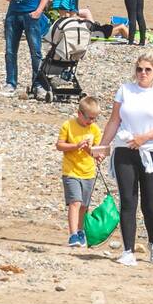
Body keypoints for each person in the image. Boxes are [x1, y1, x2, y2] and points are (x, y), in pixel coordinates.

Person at [93, 55, 153, 267]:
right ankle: (128, 250)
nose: (143, 73)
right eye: (139, 69)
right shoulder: (125, 90)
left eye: (148, 70)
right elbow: (114, 121)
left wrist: (144, 138)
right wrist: (103, 147)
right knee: (128, 201)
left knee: (150, 204)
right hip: (125, 149)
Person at [55, 95, 102, 247]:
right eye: (89, 118)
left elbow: (98, 152)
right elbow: (59, 145)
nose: (92, 121)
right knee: (75, 202)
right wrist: (75, 146)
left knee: (84, 205)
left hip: (88, 172)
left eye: (95, 118)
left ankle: (81, 231)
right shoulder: (68, 125)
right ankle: (73, 234)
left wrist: (92, 151)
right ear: (79, 113)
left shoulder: (94, 129)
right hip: (71, 172)